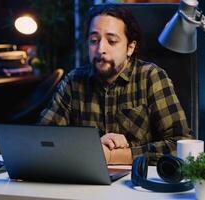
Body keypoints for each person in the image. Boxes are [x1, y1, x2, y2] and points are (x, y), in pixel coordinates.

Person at [40, 4, 192, 165]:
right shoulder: (73, 81)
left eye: (111, 41)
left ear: (130, 48)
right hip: (84, 181)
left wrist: (114, 156)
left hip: (135, 184)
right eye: (94, 41)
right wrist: (93, 147)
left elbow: (181, 144)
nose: (100, 49)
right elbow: (43, 139)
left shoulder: (151, 77)